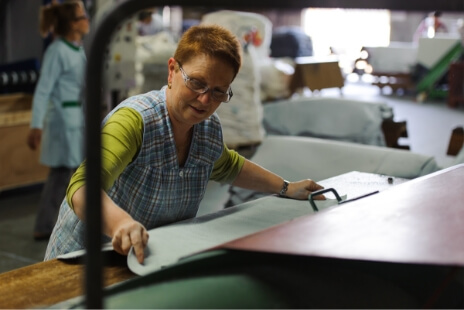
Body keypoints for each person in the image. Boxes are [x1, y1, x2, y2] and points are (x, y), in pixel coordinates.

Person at [44, 24, 325, 263]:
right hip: (86, 259)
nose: (205, 100)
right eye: (197, 83)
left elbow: (229, 166)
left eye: (218, 91)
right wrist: (122, 224)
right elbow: (83, 188)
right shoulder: (134, 121)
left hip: (146, 258)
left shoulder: (207, 128)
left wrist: (287, 187)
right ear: (172, 70)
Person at [27, 0, 90, 241]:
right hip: (62, 121)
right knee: (61, 174)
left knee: (76, 172)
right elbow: (43, 90)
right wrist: (35, 125)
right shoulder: (57, 51)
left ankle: (69, 221)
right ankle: (44, 225)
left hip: (77, 119)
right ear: (73, 24)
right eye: (82, 17)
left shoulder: (77, 50)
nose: (87, 21)